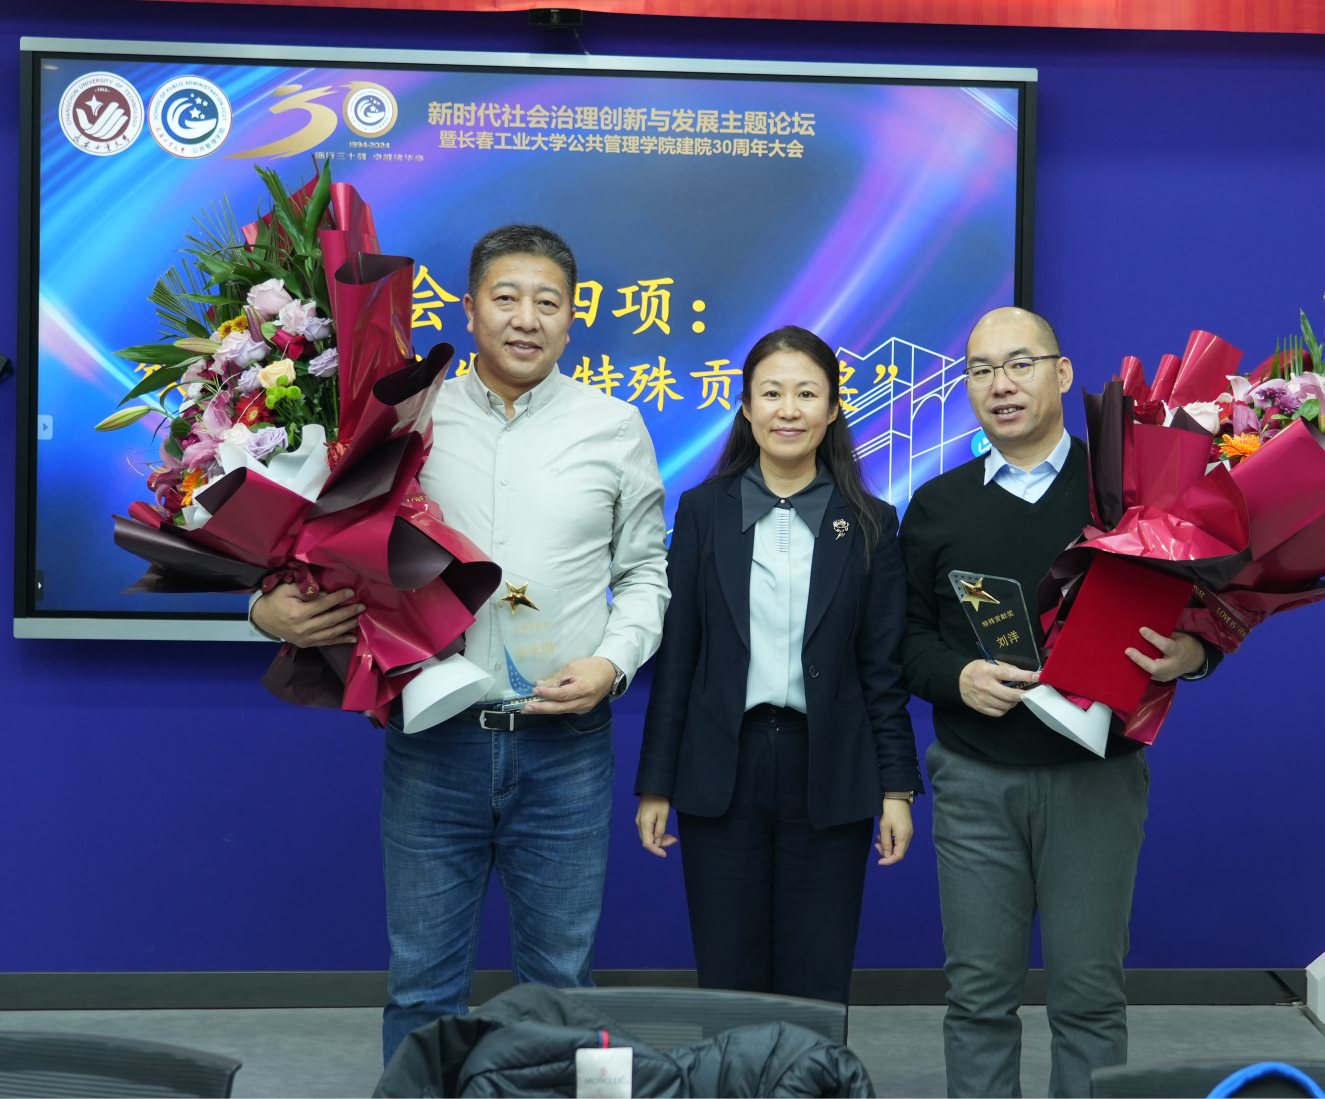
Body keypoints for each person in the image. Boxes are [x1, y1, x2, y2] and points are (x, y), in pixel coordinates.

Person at [252, 225, 671, 1061]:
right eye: (506, 298)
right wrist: (268, 610)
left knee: (561, 981)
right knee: (422, 984)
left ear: (572, 317)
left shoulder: (615, 425)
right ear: (470, 309)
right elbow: (302, 541)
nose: (527, 318)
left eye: (548, 302)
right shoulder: (401, 417)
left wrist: (614, 663)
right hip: (433, 740)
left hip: (566, 746)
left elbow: (647, 571)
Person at [898, 307, 1223, 1099]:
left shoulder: (1128, 493)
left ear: (1062, 372)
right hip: (976, 779)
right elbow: (903, 639)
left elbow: (1210, 610)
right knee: (978, 997)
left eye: (1020, 363)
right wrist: (956, 677)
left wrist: (1193, 655)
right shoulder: (936, 505)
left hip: (1096, 779)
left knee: (1088, 997)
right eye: (981, 370)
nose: (1000, 385)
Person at [633, 325, 922, 1006]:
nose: (788, 410)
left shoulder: (872, 521)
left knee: (816, 975)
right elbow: (679, 656)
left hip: (830, 767)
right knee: (728, 973)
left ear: (834, 408)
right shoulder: (702, 511)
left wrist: (896, 788)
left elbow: (882, 671)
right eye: (771, 393)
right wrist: (656, 784)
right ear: (745, 407)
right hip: (721, 767)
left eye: (806, 394)